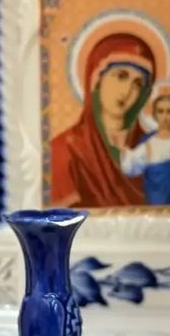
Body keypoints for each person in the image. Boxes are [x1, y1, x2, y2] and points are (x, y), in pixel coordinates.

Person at [49, 33, 155, 208]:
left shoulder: (150, 148)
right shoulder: (65, 149)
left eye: (137, 83)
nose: (128, 90)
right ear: (97, 78)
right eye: (121, 76)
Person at [119, 94, 170, 205]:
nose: (165, 117)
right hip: (154, 199)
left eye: (169, 111)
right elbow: (132, 167)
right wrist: (124, 151)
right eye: (160, 111)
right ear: (155, 114)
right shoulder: (148, 142)